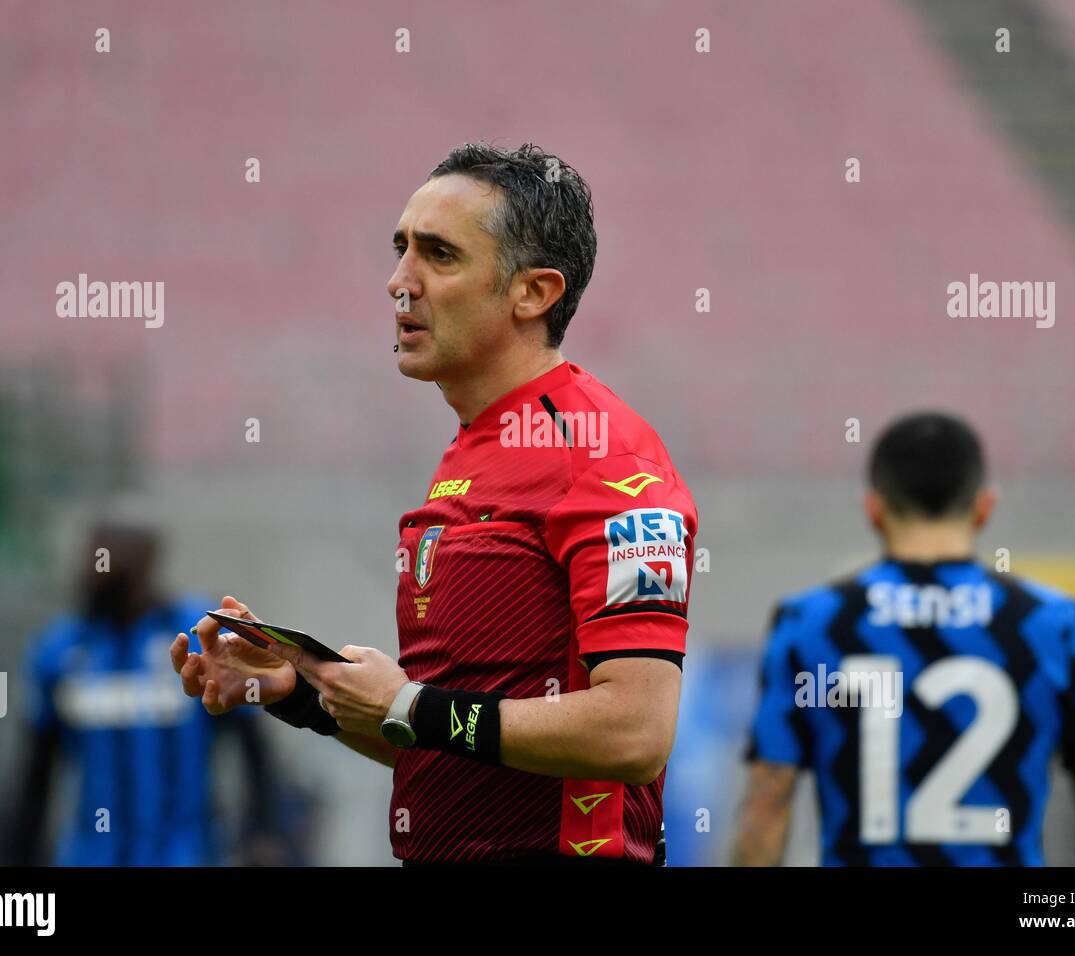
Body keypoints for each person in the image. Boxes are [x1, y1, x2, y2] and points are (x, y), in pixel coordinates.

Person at [171, 142, 698, 864]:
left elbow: (636, 733)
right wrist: (298, 690)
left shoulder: (609, 460)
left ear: (533, 292)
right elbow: (455, 741)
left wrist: (406, 704)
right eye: (400, 249)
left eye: (439, 255)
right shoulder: (471, 454)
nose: (398, 282)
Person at [732, 412, 1075, 866]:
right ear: (985, 508)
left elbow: (762, 815)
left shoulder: (812, 624)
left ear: (873, 509)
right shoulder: (1054, 625)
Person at [9, 520, 278, 866]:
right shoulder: (61, 649)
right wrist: (20, 853)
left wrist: (263, 829)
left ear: (148, 560)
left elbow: (251, 740)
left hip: (186, 855)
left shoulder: (195, 633)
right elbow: (37, 770)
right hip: (92, 856)